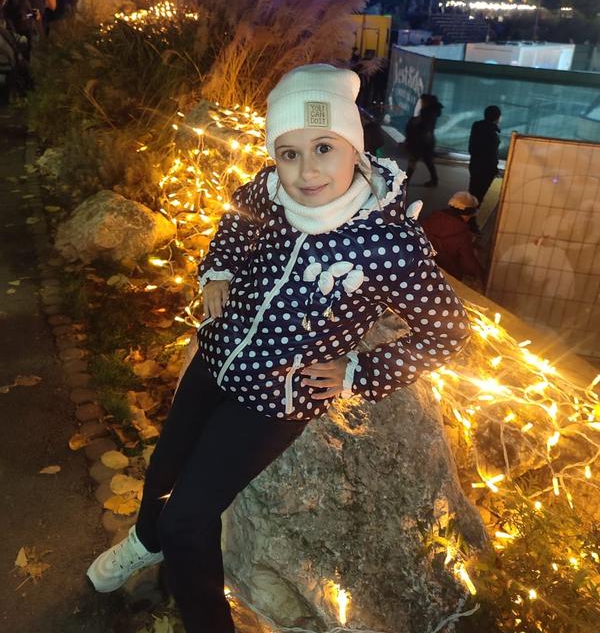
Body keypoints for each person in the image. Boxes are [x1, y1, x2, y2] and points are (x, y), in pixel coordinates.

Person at [86, 63, 470, 632]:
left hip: (274, 399)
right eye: (289, 153)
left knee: (188, 518)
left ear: (355, 148)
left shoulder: (387, 242)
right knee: (164, 466)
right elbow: (236, 220)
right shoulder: (270, 192)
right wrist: (218, 269)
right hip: (217, 357)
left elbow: (447, 331)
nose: (306, 171)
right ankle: (146, 540)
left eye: (323, 148)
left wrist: (359, 372)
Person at [422, 192, 484, 283]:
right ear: (467, 215)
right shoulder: (463, 236)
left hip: (425, 269)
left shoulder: (428, 219)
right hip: (447, 277)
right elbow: (469, 266)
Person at [404, 92, 444, 187]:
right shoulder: (433, 112)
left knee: (414, 160)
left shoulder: (426, 112)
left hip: (421, 141)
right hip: (427, 141)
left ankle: (407, 180)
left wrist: (413, 124)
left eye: (422, 101)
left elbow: (422, 126)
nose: (421, 103)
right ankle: (434, 180)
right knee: (427, 160)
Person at [468, 104, 501, 205]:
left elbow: (472, 148)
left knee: (473, 191)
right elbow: (492, 154)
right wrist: (495, 169)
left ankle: (467, 211)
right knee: (480, 194)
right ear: (497, 117)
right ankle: (473, 212)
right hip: (486, 169)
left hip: (474, 164)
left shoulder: (476, 126)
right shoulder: (493, 134)